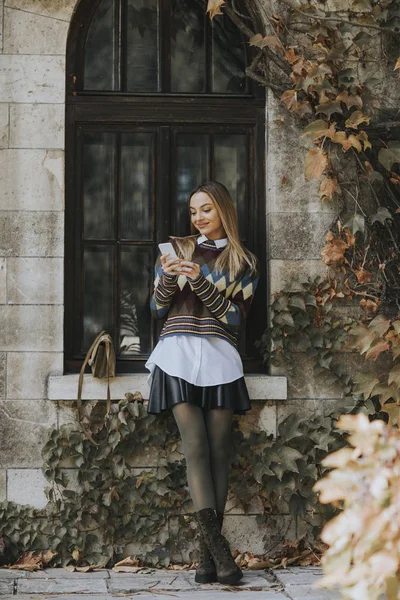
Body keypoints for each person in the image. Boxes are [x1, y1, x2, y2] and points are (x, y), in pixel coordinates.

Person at [145, 181, 259, 586]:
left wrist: (200, 283)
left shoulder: (242, 261)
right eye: (193, 211)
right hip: (175, 353)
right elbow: (157, 309)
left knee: (218, 450)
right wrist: (170, 280)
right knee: (194, 446)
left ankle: (209, 561)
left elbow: (233, 319)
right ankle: (222, 554)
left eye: (206, 209)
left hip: (219, 357)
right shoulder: (177, 250)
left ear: (223, 209)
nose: (198, 218)